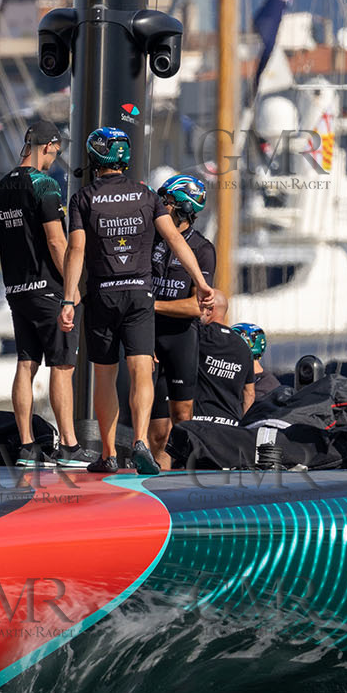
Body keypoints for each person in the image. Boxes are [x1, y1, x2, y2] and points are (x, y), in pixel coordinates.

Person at [59, 127, 214, 474]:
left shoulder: (83, 198)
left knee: (105, 375)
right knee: (142, 368)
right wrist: (202, 283)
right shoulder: (147, 195)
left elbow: (77, 249)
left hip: (103, 294)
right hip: (140, 294)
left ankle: (109, 453)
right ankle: (141, 439)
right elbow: (174, 237)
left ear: (94, 158)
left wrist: (69, 299)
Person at [0, 120, 95, 468]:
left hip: (17, 289)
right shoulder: (44, 184)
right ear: (48, 145)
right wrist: (72, 289)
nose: (54, 159)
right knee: (62, 366)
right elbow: (56, 241)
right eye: (56, 151)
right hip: (48, 290)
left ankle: (27, 446)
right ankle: (68, 446)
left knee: (25, 363)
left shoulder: (0, 188)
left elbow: (4, 246)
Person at [148, 174, 216, 468]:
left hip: (180, 339)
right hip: (148, 337)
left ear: (183, 209)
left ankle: (180, 478)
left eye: (168, 203)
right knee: (157, 430)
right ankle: (154, 481)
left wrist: (152, 305)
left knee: (182, 418)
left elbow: (196, 307)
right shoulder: (152, 238)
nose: (162, 207)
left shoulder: (202, 249)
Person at [186, 295, 254, 428]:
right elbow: (249, 393)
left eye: (200, 307)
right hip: (231, 425)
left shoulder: (200, 335)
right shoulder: (243, 346)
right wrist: (244, 428)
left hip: (200, 422)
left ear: (209, 310)